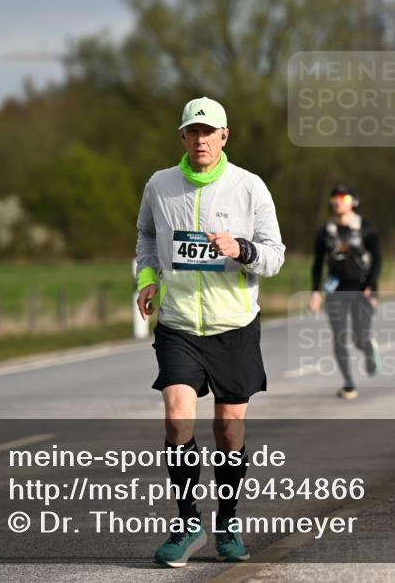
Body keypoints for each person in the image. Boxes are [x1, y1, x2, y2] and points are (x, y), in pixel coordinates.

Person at [135, 97, 285, 567]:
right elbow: (144, 237)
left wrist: (241, 248)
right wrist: (147, 279)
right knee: (178, 418)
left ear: (225, 136)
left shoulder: (249, 187)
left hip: (233, 325)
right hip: (178, 324)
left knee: (227, 429)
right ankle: (186, 522)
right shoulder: (160, 186)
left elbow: (275, 255)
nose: (200, 140)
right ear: (182, 136)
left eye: (209, 132)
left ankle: (227, 523)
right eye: (192, 132)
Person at [309, 184, 382, 400]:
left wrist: (373, 287)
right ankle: (349, 384)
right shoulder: (325, 231)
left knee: (359, 337)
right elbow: (317, 263)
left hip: (361, 288)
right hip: (335, 290)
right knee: (340, 337)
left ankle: (368, 349)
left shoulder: (366, 229)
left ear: (353, 201)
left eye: (343, 197)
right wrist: (315, 292)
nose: (338, 201)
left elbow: (377, 259)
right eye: (335, 197)